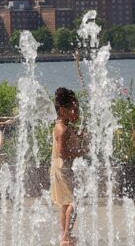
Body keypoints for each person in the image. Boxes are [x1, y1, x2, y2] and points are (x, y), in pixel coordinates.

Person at [51, 88, 87, 246]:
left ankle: (66, 235)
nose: (77, 113)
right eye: (75, 109)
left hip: (60, 168)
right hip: (63, 168)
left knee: (65, 203)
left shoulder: (64, 125)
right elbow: (62, 153)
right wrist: (81, 152)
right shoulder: (63, 129)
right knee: (74, 201)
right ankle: (66, 236)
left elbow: (70, 138)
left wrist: (79, 135)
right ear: (63, 110)